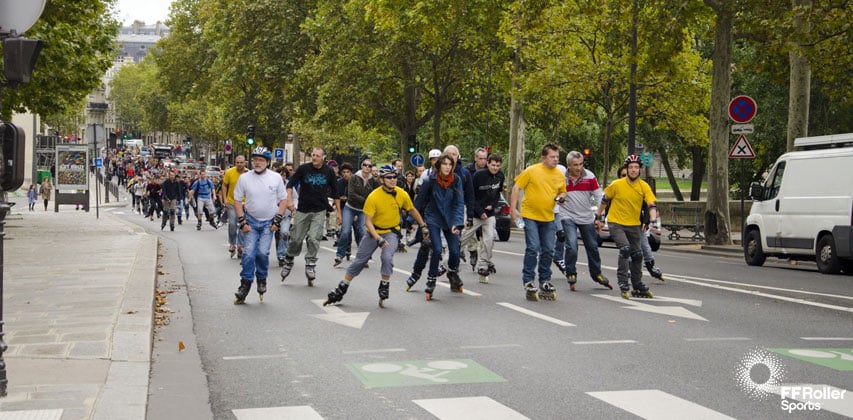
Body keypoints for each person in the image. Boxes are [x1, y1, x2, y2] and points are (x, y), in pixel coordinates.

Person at [323, 165, 428, 307]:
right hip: (374, 232)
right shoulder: (373, 196)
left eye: (394, 177)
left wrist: (423, 226)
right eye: (389, 178)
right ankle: (342, 287)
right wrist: (377, 238)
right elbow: (368, 221)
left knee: (387, 257)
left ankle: (384, 285)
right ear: (382, 180)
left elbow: (412, 209)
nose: (392, 180)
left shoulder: (401, 193)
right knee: (359, 261)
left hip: (391, 232)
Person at [509, 143, 567, 301]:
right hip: (530, 215)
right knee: (533, 247)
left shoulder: (559, 174)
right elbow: (516, 188)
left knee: (548, 249)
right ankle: (528, 279)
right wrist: (513, 209)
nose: (555, 160)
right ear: (543, 158)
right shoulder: (532, 171)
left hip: (548, 216)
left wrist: (561, 197)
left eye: (557, 157)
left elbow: (563, 191)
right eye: (552, 157)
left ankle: (545, 280)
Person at [595, 155, 658, 299]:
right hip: (616, 223)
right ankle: (623, 282)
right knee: (625, 249)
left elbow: (651, 205)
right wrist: (599, 216)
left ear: (640, 169)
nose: (633, 170)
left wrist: (653, 219)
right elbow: (605, 200)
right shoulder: (617, 184)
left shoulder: (644, 186)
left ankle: (637, 284)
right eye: (631, 167)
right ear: (626, 169)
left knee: (637, 255)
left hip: (634, 224)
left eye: (636, 167)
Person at [233, 147, 288, 304]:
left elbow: (283, 199)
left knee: (262, 253)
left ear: (268, 162)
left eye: (261, 160)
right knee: (248, 254)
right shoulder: (245, 178)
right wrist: (242, 220)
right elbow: (237, 200)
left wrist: (277, 219)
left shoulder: (276, 178)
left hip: (268, 223)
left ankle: (262, 278)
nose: (257, 162)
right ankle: (245, 284)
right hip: (250, 220)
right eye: (255, 159)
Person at [280, 146, 341, 285]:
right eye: (313, 155)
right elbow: (290, 184)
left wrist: (338, 213)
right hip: (303, 209)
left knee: (314, 238)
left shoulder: (329, 172)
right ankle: (289, 259)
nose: (314, 158)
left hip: (319, 210)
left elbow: (336, 193)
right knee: (296, 239)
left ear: (323, 158)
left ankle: (311, 264)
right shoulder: (304, 169)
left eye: (317, 156)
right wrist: (289, 200)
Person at [411, 153, 465, 300]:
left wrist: (458, 223)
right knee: (436, 249)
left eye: (450, 165)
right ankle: (431, 279)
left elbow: (459, 203)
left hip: (450, 219)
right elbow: (419, 202)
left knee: (455, 251)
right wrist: (411, 220)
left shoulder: (457, 180)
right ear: (439, 165)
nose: (447, 167)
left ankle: (452, 272)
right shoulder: (430, 181)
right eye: (445, 164)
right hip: (433, 217)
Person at [557, 151, 611, 291]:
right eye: (575, 165)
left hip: (586, 216)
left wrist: (600, 217)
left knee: (592, 246)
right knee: (572, 246)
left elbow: (600, 196)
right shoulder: (561, 178)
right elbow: (552, 193)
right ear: (568, 166)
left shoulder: (589, 176)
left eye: (581, 164)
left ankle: (596, 274)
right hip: (567, 215)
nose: (579, 168)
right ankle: (571, 273)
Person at [613, 165, 665, 281]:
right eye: (623, 176)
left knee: (645, 248)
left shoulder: (639, 188)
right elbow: (608, 204)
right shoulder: (617, 188)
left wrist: (647, 221)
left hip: (636, 223)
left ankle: (651, 268)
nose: (626, 177)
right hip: (620, 224)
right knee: (627, 248)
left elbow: (647, 205)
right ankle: (627, 271)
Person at [458, 153, 504, 283]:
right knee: (464, 237)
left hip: (489, 215)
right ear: (488, 164)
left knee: (489, 239)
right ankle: (451, 260)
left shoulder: (500, 176)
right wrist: (479, 211)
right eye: (493, 165)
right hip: (475, 213)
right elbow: (471, 195)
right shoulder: (478, 176)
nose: (495, 168)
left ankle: (483, 264)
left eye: (498, 166)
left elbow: (497, 194)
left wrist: (493, 206)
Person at [335, 158, 378, 266]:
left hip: (363, 210)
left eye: (369, 166)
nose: (367, 167)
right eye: (365, 165)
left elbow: (376, 195)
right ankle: (340, 255)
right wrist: (367, 200)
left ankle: (364, 257)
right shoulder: (354, 178)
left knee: (363, 233)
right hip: (350, 208)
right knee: (345, 231)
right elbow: (351, 194)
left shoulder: (374, 181)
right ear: (361, 166)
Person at [220, 156, 248, 258]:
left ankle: (240, 245)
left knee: (242, 225)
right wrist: (225, 199)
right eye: (237, 162)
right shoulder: (229, 172)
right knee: (232, 223)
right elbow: (224, 185)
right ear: (235, 163)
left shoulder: (249, 174)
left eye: (241, 162)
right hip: (232, 202)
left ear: (245, 163)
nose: (239, 164)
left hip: (244, 203)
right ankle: (232, 243)